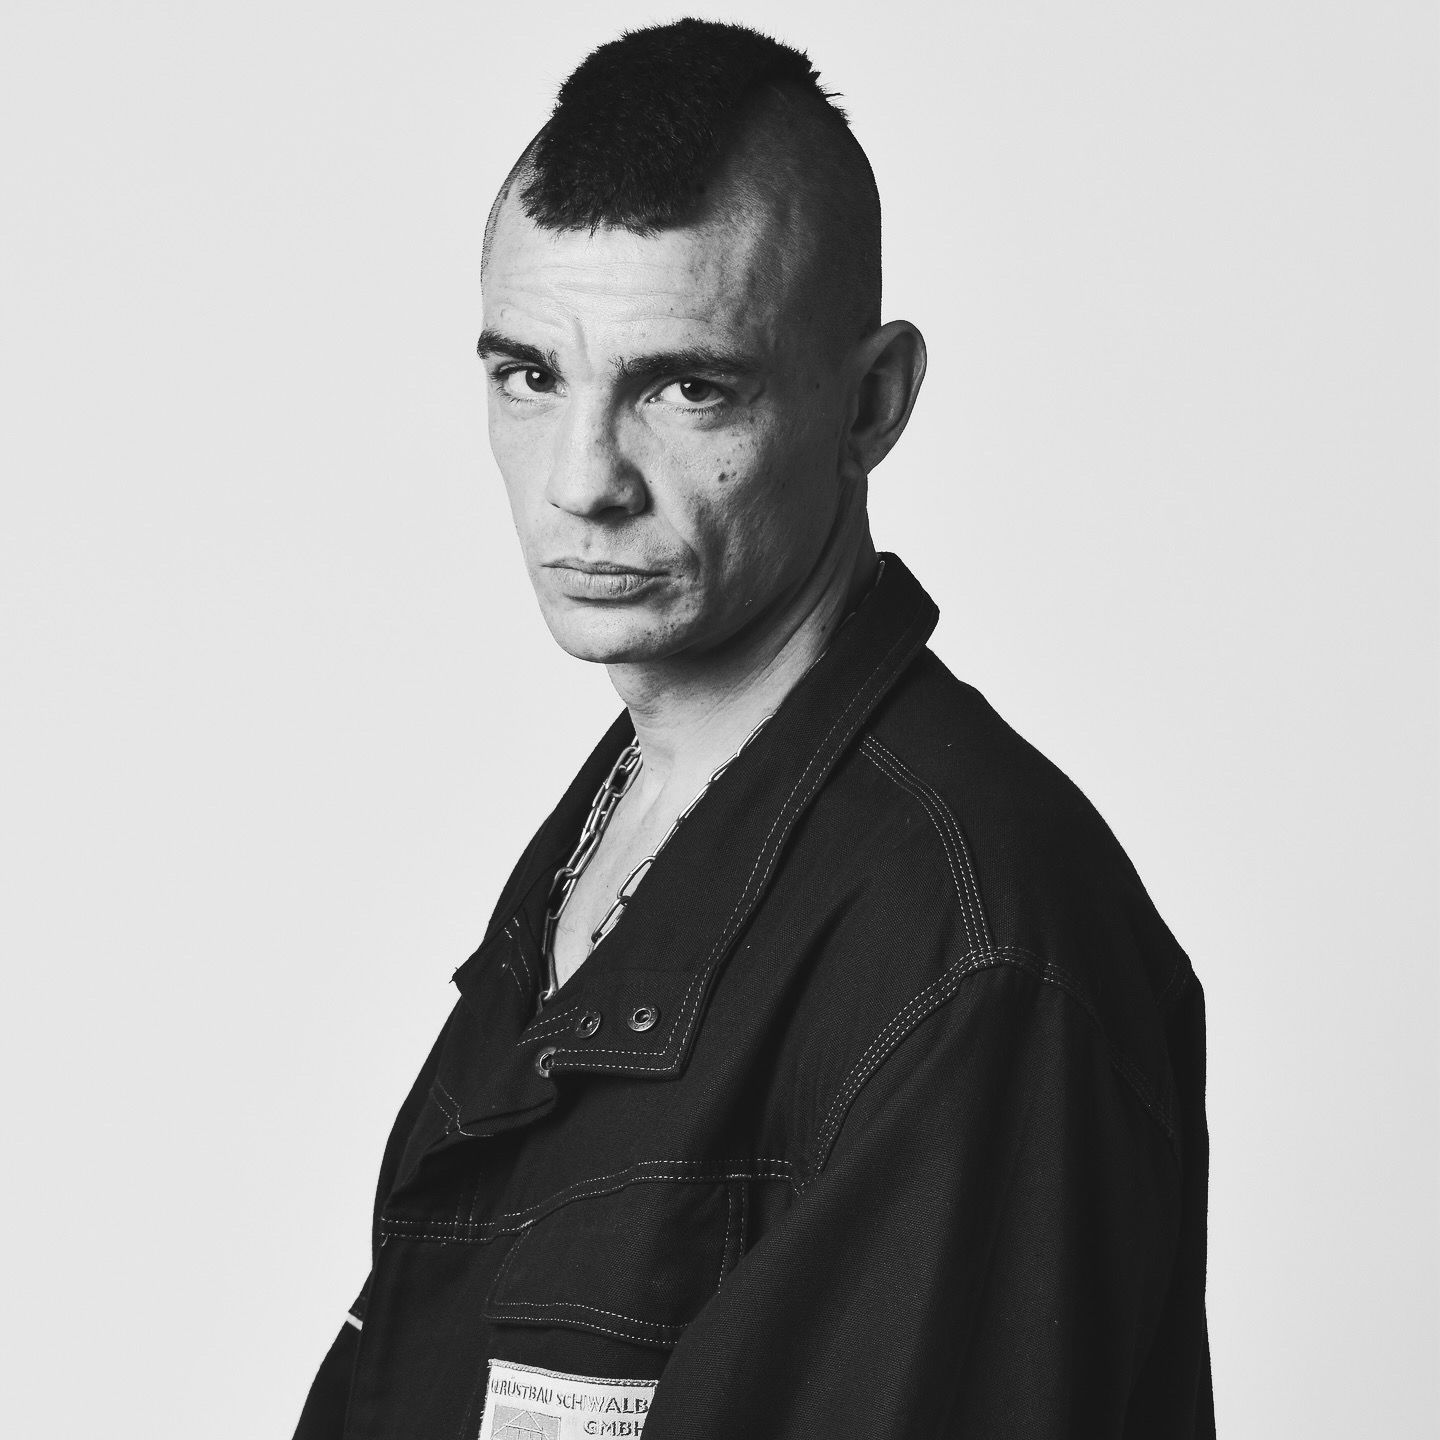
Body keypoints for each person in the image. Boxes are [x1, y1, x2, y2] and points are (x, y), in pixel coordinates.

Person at [294, 18, 1213, 1439]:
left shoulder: (972, 950)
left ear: (871, 404)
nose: (582, 481)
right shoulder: (635, 816)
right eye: (530, 375)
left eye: (684, 387)